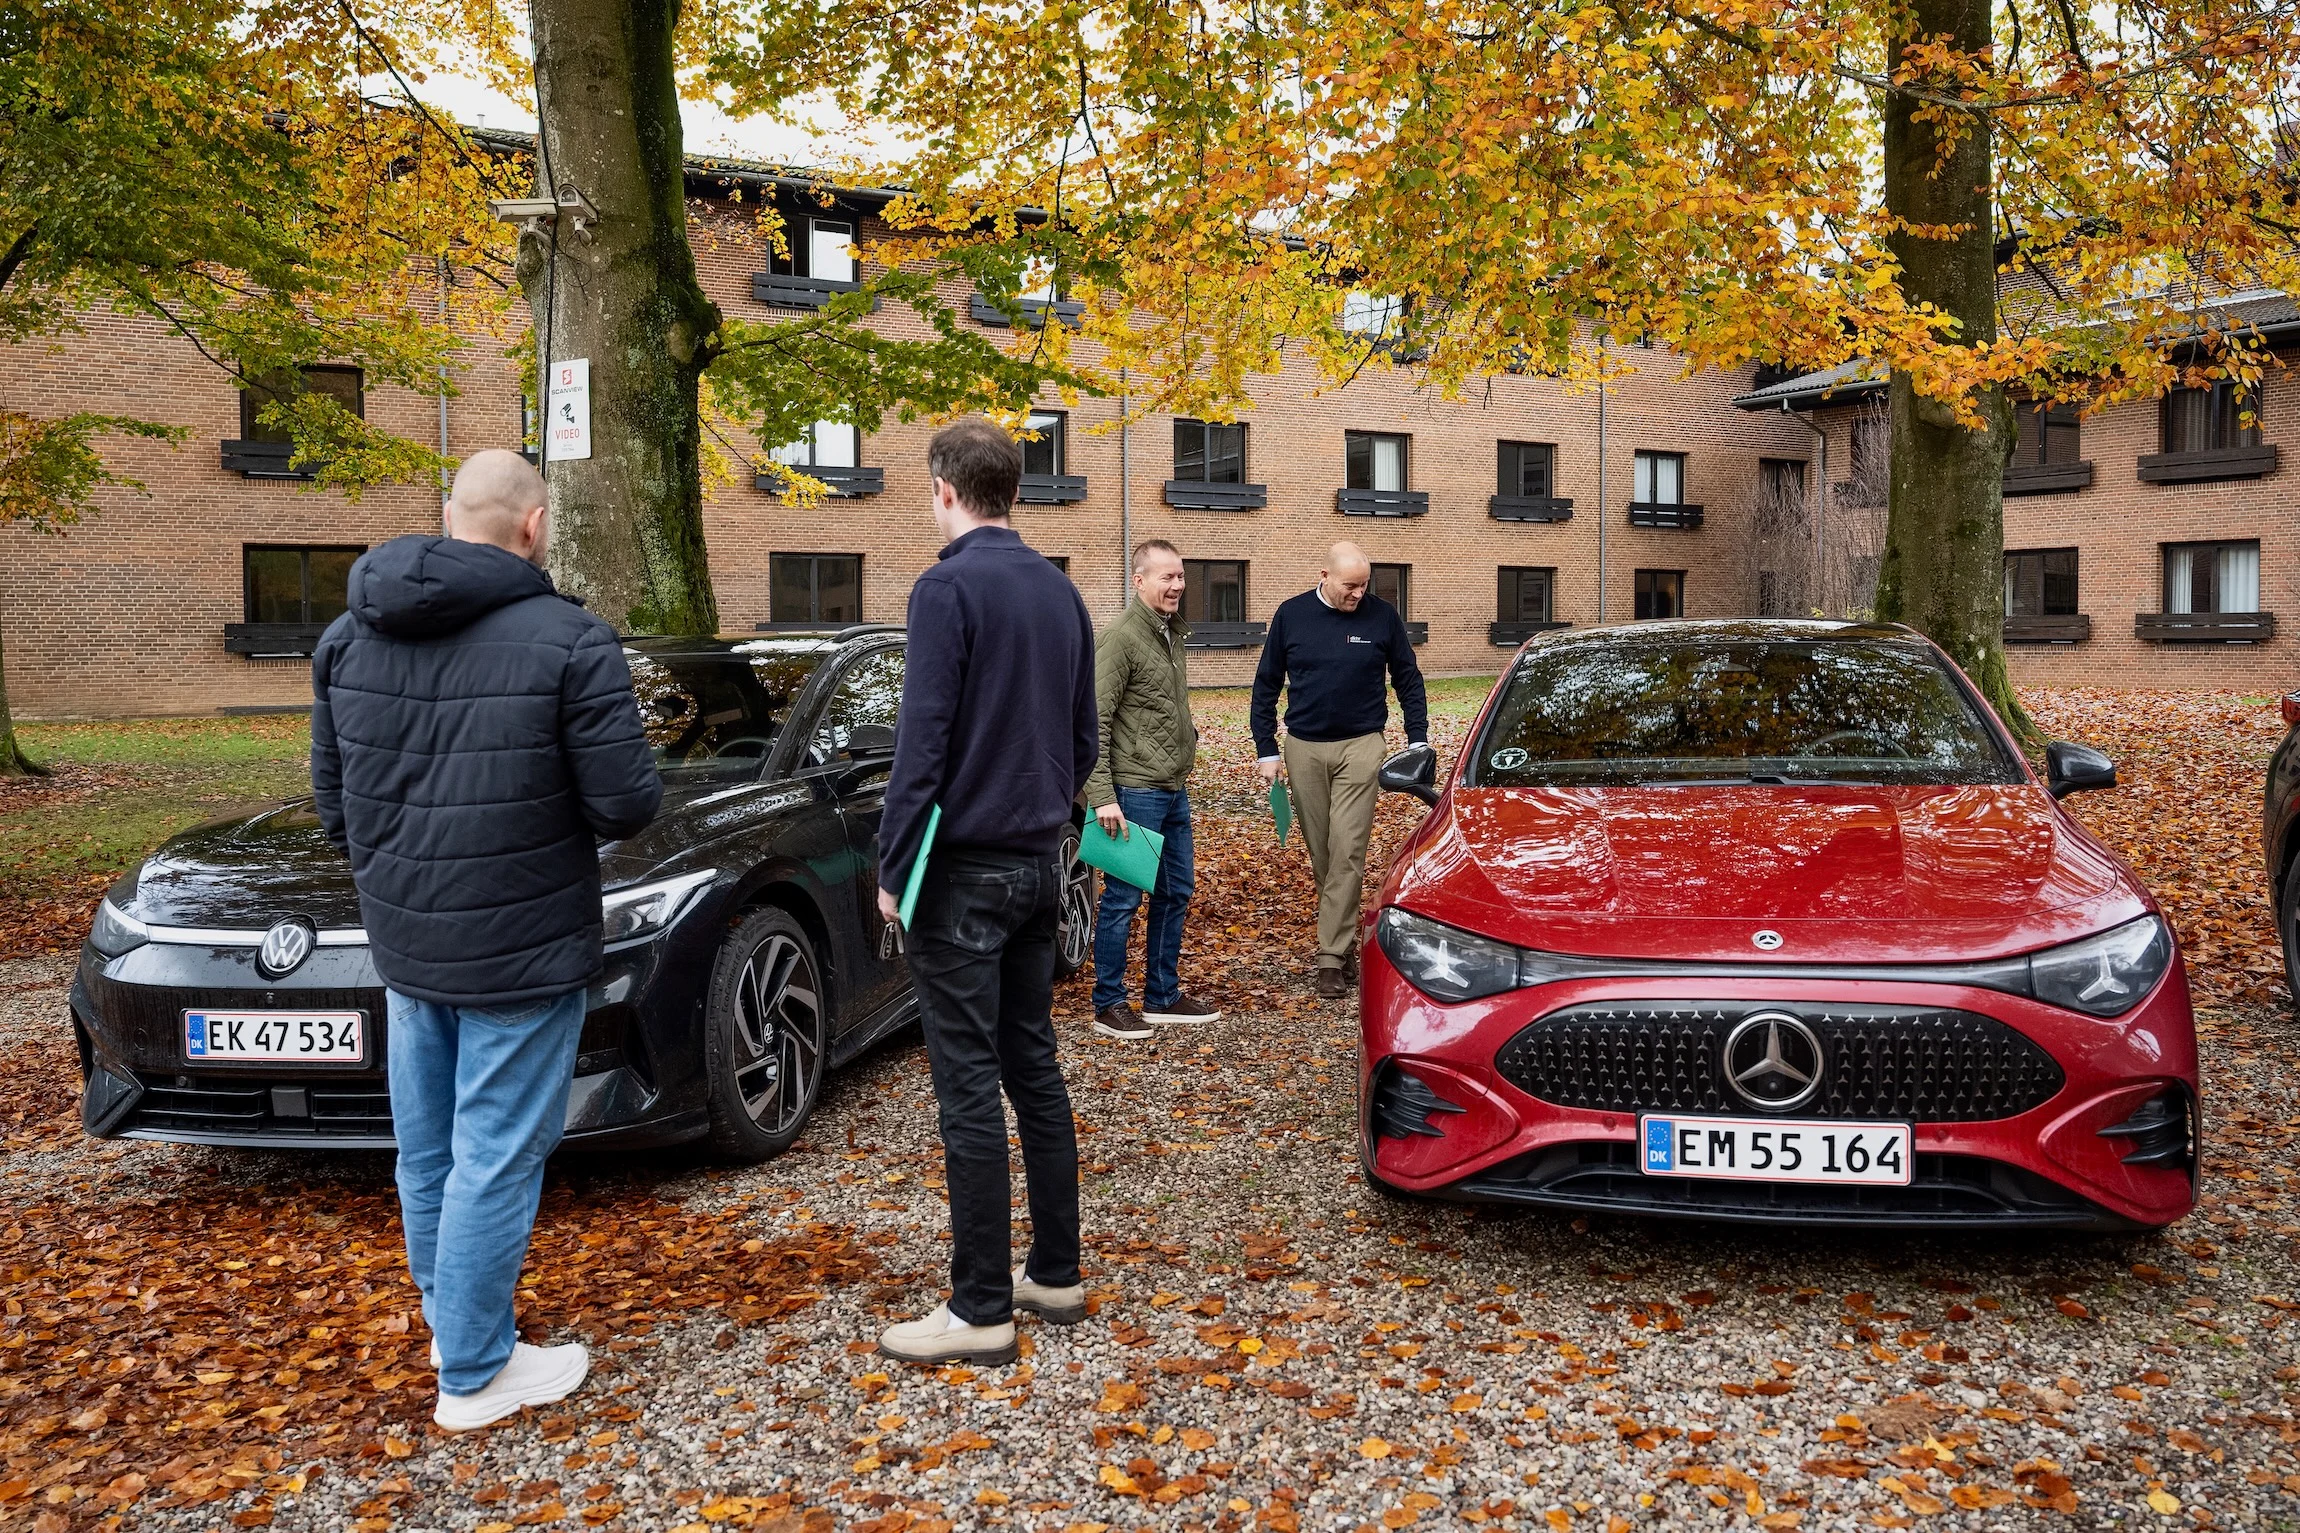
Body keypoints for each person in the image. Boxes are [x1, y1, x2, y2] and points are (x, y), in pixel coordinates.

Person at [310, 449, 661, 1431]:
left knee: (429, 1150)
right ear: (534, 525)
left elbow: (335, 806)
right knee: (497, 1153)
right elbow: (627, 800)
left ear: (448, 515)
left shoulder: (346, 635)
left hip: (408, 939)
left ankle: (455, 1325)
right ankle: (472, 1369)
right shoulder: (569, 639)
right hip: (523, 935)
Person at [874, 417, 1100, 1365]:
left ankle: (978, 1308)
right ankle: (1054, 1268)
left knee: (967, 1082)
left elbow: (921, 741)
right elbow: (1085, 737)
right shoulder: (1060, 590)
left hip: (962, 871)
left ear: (943, 489)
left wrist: (892, 870)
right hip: (1039, 860)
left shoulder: (946, 586)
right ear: (1014, 488)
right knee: (1031, 1065)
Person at [1250, 540, 1429, 999]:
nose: (1358, 594)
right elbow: (1266, 683)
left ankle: (1329, 957)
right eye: (1351, 585)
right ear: (1324, 575)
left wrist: (1418, 739)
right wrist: (1265, 749)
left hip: (1362, 745)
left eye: (1365, 585)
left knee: (1347, 849)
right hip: (1304, 747)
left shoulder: (1381, 616)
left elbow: (1407, 676)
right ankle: (1344, 939)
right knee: (1324, 856)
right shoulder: (1291, 615)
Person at [1084, 539, 1222, 1040]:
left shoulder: (1169, 633)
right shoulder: (1121, 637)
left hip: (1171, 786)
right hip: (1132, 789)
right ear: (1138, 580)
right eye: (1166, 577)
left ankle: (1162, 996)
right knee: (1123, 897)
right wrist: (1102, 796)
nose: (1177, 585)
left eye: (1181, 576)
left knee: (1176, 890)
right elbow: (1092, 721)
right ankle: (1109, 1004)